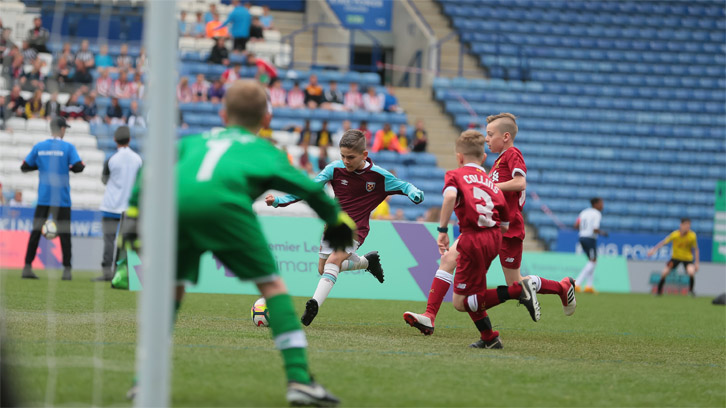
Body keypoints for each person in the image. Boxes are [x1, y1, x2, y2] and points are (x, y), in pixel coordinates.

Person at [123, 80, 345, 406]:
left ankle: (144, 383)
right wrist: (337, 221)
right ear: (266, 120)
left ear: (222, 113)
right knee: (272, 287)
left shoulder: (194, 141)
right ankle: (299, 380)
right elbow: (309, 188)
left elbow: (154, 165)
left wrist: (132, 211)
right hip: (224, 207)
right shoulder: (264, 150)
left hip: (176, 207)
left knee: (172, 289)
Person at [403, 114, 575, 336]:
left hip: (507, 228)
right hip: (492, 227)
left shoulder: (512, 154)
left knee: (512, 284)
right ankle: (432, 317)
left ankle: (560, 288)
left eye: (490, 134)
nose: (487, 138)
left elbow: (521, 182)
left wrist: (489, 187)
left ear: (505, 136)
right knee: (455, 264)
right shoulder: (495, 163)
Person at [266, 129, 425, 326]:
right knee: (324, 268)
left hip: (356, 229)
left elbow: (404, 185)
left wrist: (415, 193)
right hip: (333, 226)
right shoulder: (334, 169)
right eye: (342, 156)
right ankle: (367, 262)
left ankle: (314, 304)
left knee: (334, 259)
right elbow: (309, 188)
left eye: (351, 157)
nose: (346, 161)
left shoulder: (378, 176)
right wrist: (279, 201)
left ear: (364, 155)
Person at [414, 130, 540, 348]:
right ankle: (489, 338)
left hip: (472, 238)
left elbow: (451, 197)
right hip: (493, 239)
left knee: (461, 302)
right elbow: (504, 220)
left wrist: (442, 229)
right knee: (470, 289)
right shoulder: (490, 182)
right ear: (483, 158)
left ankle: (518, 290)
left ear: (459, 157)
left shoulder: (455, 174)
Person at [20, 117, 85, 280]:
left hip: (43, 197)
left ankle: (27, 267)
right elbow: (78, 167)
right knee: (65, 234)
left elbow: (24, 167)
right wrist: (68, 167)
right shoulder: (68, 147)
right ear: (62, 129)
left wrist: (41, 165)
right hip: (61, 198)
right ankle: (67, 270)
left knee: (35, 232)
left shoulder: (39, 147)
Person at [94, 126, 142, 281]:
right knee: (124, 243)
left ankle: (106, 273)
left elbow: (104, 180)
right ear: (129, 140)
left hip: (110, 206)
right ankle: (120, 273)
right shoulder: (138, 160)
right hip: (128, 209)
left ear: (115, 140)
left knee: (109, 241)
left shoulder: (111, 159)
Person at [648, 218, 699, 296]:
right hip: (675, 258)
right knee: (664, 272)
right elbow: (664, 242)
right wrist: (654, 250)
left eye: (689, 225)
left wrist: (696, 263)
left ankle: (691, 291)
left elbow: (695, 249)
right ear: (681, 225)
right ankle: (659, 291)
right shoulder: (675, 234)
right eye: (686, 225)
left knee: (691, 272)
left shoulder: (692, 236)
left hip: (687, 259)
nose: (687, 227)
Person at [574, 197, 607, 293]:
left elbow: (576, 225)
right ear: (596, 204)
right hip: (590, 238)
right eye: (601, 203)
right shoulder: (597, 213)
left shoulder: (584, 212)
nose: (602, 206)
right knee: (593, 261)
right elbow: (595, 229)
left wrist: (584, 229)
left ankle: (589, 286)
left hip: (582, 237)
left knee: (591, 261)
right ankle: (577, 284)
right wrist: (603, 233)